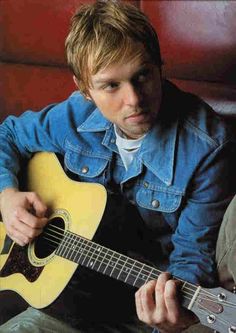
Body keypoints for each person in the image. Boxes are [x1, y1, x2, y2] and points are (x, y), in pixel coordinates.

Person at [0, 1, 235, 332]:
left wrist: (169, 319)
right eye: (111, 86)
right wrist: (6, 195)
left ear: (159, 66)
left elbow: (191, 261)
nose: (134, 100)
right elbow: (7, 134)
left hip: (144, 297)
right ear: (84, 89)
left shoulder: (209, 147)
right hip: (70, 290)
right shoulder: (73, 117)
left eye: (142, 76)